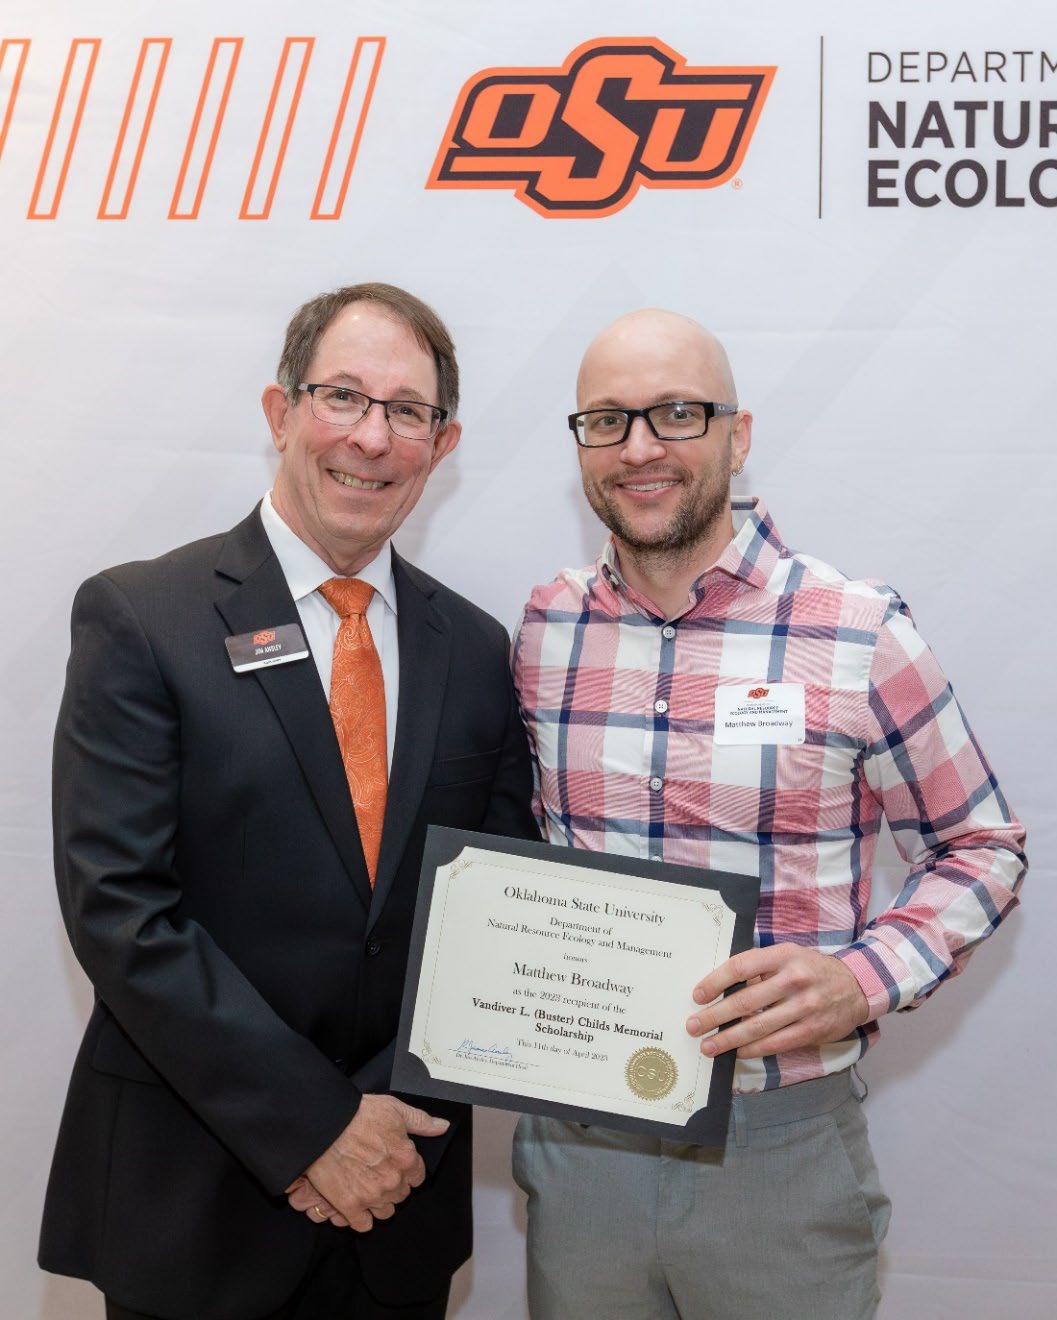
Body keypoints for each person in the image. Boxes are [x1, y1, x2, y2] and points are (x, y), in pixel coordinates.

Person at [511, 308, 1026, 1319]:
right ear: (579, 446)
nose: (641, 448)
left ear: (737, 436)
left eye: (676, 413)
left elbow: (980, 846)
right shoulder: (545, 628)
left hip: (777, 1152)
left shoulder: (856, 630)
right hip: (583, 1149)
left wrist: (861, 978)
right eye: (607, 422)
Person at [39, 282, 537, 1320]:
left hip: (399, 1194)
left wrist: (385, 1129)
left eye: (408, 411)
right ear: (280, 412)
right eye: (343, 396)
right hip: (195, 1201)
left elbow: (495, 913)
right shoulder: (144, 617)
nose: (371, 436)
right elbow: (121, 912)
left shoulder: (478, 651)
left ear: (442, 446)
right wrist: (317, 1129)